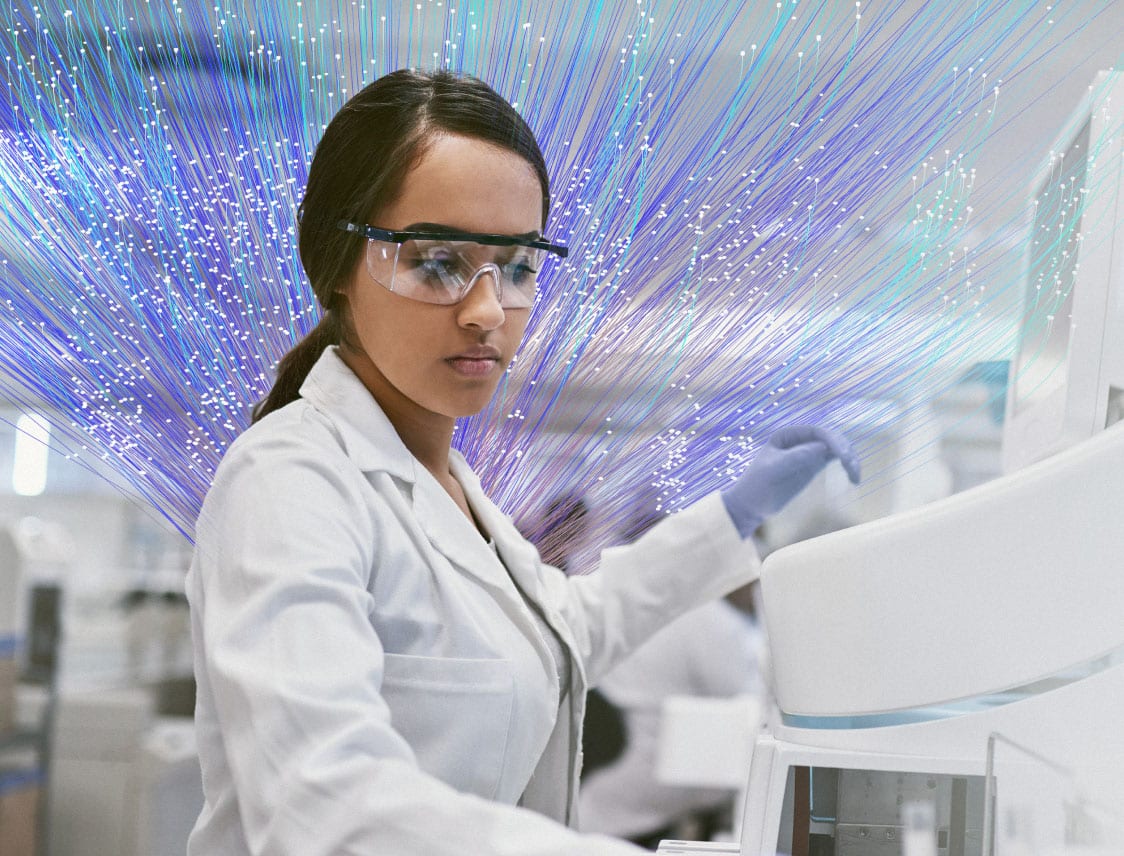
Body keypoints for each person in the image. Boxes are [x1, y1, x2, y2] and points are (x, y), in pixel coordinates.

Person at [185, 68, 860, 856]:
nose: (486, 311)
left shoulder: (450, 490)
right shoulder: (289, 483)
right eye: (437, 261)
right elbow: (324, 804)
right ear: (336, 262)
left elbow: (563, 631)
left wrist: (732, 516)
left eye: (516, 267)